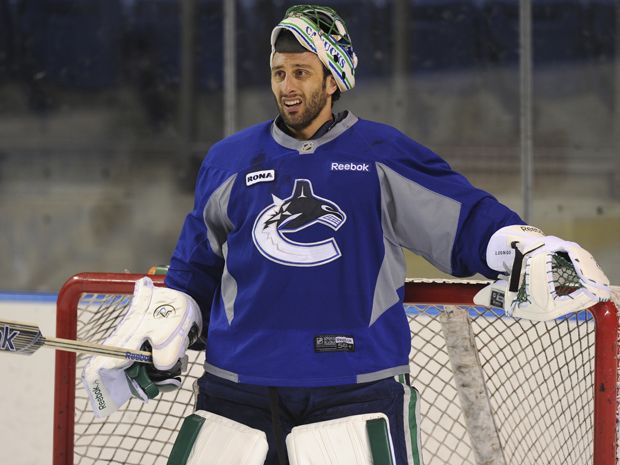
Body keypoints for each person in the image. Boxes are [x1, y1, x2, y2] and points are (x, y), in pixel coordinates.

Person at [82, 5, 611, 465]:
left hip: (355, 390)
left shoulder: (382, 154)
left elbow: (462, 218)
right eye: (279, 72)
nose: (288, 86)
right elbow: (196, 266)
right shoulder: (229, 160)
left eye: (302, 73)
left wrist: (516, 244)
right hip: (237, 390)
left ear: (332, 78)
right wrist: (163, 326)